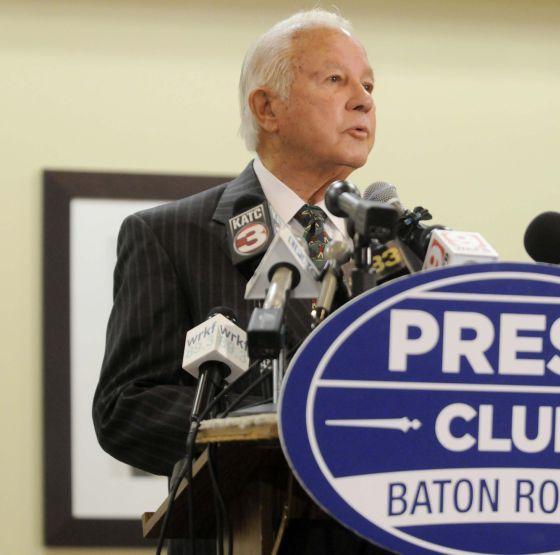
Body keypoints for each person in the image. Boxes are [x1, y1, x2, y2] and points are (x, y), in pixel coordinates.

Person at [92, 9, 387, 554]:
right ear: (267, 108)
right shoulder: (170, 236)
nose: (364, 99)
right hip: (251, 533)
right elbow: (125, 408)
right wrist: (275, 426)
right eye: (335, 80)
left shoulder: (388, 250)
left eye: (368, 85)